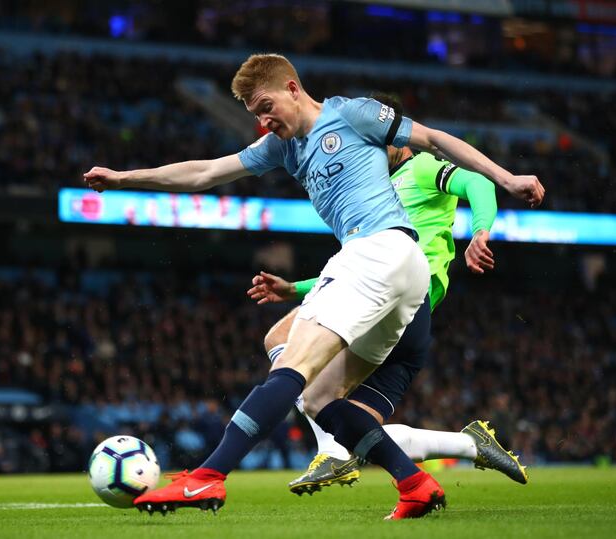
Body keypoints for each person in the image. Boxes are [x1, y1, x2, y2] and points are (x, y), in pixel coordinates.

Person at [84, 53, 544, 520]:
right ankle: (415, 484)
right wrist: (125, 178)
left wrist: (506, 179)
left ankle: (207, 477)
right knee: (319, 398)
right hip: (404, 272)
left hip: (378, 250)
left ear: (292, 88)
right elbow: (205, 172)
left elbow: (434, 139)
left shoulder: (352, 112)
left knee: (290, 358)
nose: (263, 120)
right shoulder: (283, 148)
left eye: (266, 105)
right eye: (254, 115)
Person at [245, 93, 527, 496]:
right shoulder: (374, 189)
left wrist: (481, 230)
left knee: (280, 342)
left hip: (398, 294)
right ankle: (468, 445)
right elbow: (346, 273)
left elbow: (476, 180)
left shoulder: (422, 167)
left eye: (380, 140)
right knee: (356, 431)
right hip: (403, 307)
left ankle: (329, 453)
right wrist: (296, 289)